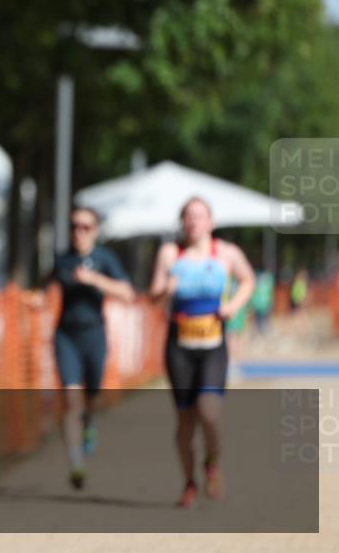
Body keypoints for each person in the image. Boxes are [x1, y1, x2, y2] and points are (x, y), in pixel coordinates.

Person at [149, 197, 254, 508]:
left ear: (211, 221)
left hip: (213, 345)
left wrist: (233, 306)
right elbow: (152, 296)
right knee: (185, 421)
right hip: (179, 345)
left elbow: (248, 279)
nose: (194, 222)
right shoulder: (170, 253)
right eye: (188, 216)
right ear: (182, 223)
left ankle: (212, 461)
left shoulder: (226, 253)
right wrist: (164, 290)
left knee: (208, 411)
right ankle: (188, 482)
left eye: (200, 216)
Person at [49, 206, 135, 490]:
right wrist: (37, 299)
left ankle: (90, 421)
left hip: (95, 335)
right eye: (74, 226)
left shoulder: (104, 259)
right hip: (66, 336)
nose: (78, 232)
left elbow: (128, 293)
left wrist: (94, 280)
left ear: (95, 231)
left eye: (85, 227)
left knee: (92, 397)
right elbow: (46, 287)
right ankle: (76, 464)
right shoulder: (63, 260)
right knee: (71, 399)